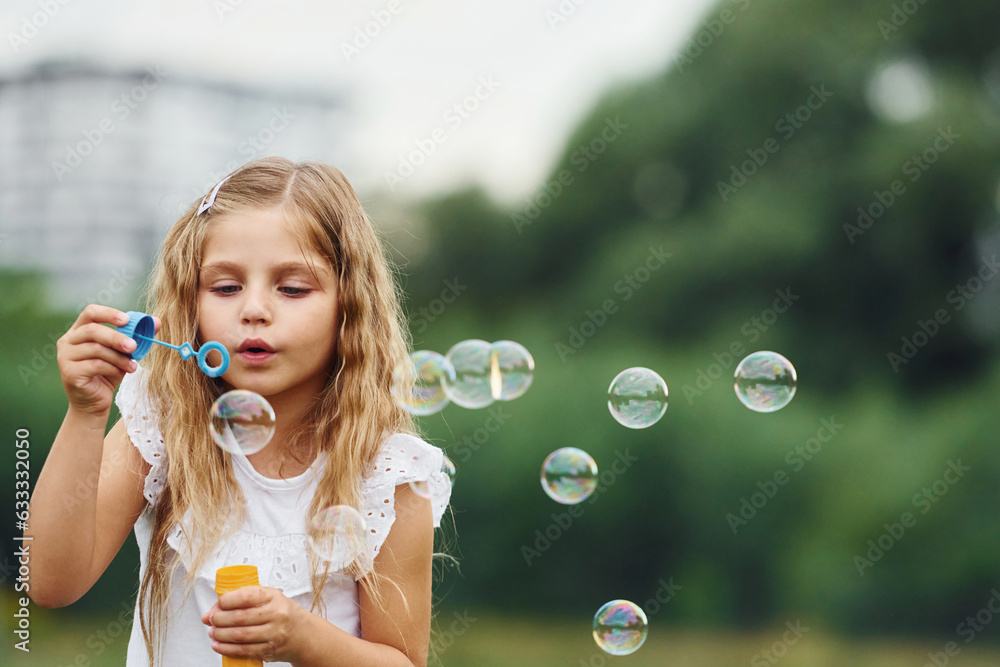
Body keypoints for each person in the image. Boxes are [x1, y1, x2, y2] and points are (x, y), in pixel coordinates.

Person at [26, 157, 451, 666]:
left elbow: (403, 662)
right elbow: (50, 583)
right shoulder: (166, 424)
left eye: (292, 288)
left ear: (349, 306)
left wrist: (303, 639)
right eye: (225, 287)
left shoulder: (387, 475)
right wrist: (86, 415)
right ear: (191, 304)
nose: (253, 309)